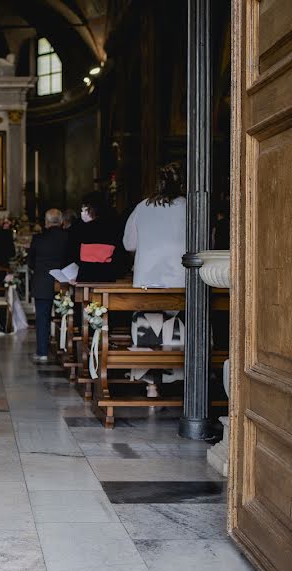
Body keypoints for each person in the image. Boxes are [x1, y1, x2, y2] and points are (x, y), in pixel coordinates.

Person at [122, 162, 188, 396]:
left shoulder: (143, 207)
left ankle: (151, 383)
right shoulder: (189, 207)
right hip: (181, 281)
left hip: (147, 280)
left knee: (148, 324)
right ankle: (181, 377)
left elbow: (129, 244)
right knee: (180, 324)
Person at [28, 208, 69, 361]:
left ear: (46, 223)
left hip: (42, 281)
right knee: (67, 316)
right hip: (64, 281)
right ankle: (66, 350)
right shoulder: (68, 237)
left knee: (42, 318)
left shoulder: (38, 239)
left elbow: (31, 262)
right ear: (61, 222)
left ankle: (42, 352)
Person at [71, 193, 125, 283]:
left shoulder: (80, 228)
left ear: (94, 209)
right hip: (107, 275)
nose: (83, 211)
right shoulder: (114, 227)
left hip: (86, 275)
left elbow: (73, 252)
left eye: (86, 208)